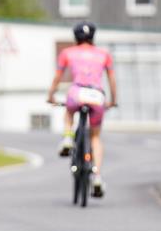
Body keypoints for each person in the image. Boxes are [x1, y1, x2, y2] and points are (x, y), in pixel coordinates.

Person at [46, 22, 117, 198]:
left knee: (69, 113)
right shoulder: (104, 55)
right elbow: (112, 80)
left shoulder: (67, 53)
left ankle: (68, 139)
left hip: (77, 92)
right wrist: (113, 101)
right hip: (96, 95)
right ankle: (98, 177)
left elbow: (57, 77)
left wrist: (51, 96)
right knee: (95, 136)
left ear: (75, 37)